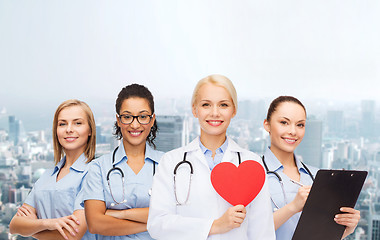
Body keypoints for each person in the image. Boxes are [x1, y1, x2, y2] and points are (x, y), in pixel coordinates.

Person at [147, 74, 275, 240]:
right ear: (195, 110)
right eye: (206, 105)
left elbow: (262, 232)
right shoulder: (171, 162)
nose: (215, 113)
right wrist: (215, 226)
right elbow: (158, 225)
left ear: (234, 110)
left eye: (223, 105)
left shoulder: (252, 164)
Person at [262, 95, 361, 239]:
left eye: (300, 125)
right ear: (267, 125)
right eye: (284, 122)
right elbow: (247, 232)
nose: (293, 132)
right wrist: (293, 207)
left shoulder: (317, 177)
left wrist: (346, 229)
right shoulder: (252, 173)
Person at [82, 84, 164, 239]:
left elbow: (177, 214)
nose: (134, 124)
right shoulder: (98, 168)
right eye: (127, 117)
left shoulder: (168, 164)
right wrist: (154, 222)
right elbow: (95, 224)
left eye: (143, 116)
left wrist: (121, 214)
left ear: (152, 120)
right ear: (118, 120)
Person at [9, 99, 97, 240]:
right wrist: (48, 223)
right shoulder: (46, 176)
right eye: (62, 124)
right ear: (56, 131)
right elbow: (14, 225)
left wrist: (32, 228)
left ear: (90, 130)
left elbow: (72, 234)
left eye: (77, 123)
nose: (69, 129)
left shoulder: (95, 173)